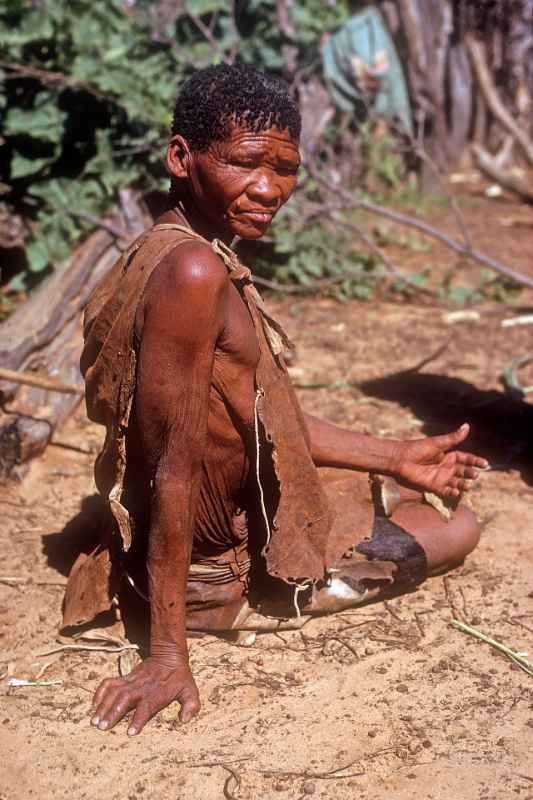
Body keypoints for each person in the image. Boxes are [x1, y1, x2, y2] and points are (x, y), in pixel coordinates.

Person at [63, 64, 487, 737]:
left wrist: (399, 455)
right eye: (244, 163)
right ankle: (219, 605)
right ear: (182, 157)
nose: (268, 188)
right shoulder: (195, 272)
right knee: (455, 527)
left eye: (285, 168)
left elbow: (257, 415)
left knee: (391, 492)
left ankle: (381, 484)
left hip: (211, 527)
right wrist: (167, 656)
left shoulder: (171, 248)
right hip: (212, 571)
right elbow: (173, 467)